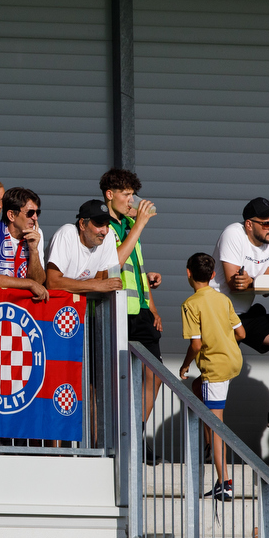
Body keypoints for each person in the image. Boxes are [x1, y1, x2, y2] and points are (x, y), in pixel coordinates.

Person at [211, 196, 269, 401]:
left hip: (244, 314)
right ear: (249, 225)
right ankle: (202, 416)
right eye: (266, 224)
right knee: (220, 379)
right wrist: (256, 283)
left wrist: (252, 282)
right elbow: (235, 285)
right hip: (219, 313)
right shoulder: (233, 233)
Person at [178, 253, 244, 500]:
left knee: (217, 426)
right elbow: (242, 333)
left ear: (188, 273)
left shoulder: (191, 304)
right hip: (233, 362)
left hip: (215, 369)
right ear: (214, 275)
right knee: (198, 388)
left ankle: (224, 482)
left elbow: (196, 345)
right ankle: (209, 444)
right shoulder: (223, 299)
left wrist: (184, 366)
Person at [101, 168, 161, 419]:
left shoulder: (129, 224)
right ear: (110, 195)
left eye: (133, 194)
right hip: (117, 310)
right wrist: (140, 224)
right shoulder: (103, 226)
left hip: (140, 311)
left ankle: (136, 434)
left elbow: (135, 266)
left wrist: (152, 306)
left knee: (155, 374)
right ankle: (113, 438)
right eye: (126, 194)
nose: (131, 200)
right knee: (113, 379)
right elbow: (115, 261)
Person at [0, 186, 47, 301]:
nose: (35, 217)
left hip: (10, 304)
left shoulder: (35, 233)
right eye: (30, 213)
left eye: (37, 212)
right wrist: (29, 283)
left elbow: (38, 282)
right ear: (11, 215)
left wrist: (33, 250)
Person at [45, 200, 123, 294]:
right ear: (82, 224)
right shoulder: (67, 234)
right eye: (99, 224)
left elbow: (104, 279)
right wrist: (96, 285)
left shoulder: (109, 236)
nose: (105, 231)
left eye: (107, 225)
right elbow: (52, 282)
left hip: (81, 305)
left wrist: (69, 284)